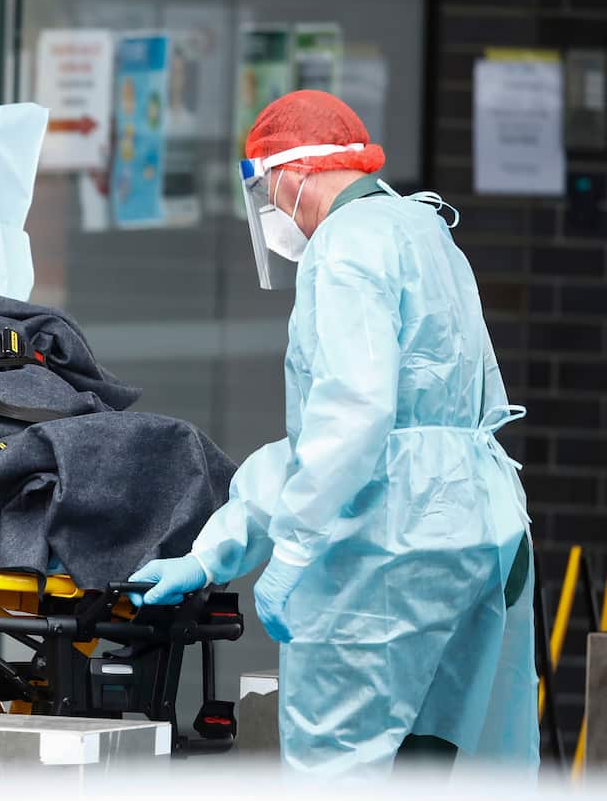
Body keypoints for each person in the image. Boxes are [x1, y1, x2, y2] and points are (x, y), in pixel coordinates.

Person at [130, 90, 538, 777]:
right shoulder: (424, 231)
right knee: (453, 765)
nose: (271, 212)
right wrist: (217, 550)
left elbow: (353, 419)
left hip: (391, 549)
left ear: (288, 173)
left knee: (344, 769)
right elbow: (348, 438)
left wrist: (292, 548)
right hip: (487, 528)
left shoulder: (344, 248)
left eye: (263, 189)